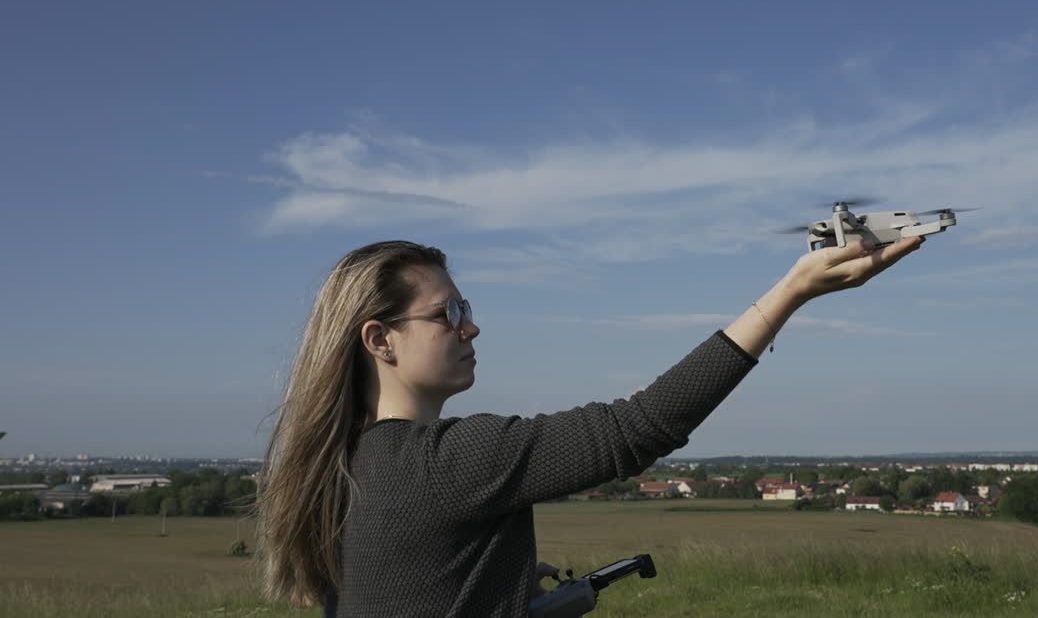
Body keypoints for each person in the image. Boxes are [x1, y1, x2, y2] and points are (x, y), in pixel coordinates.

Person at [254, 235, 924, 617]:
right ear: (381, 340)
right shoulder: (448, 462)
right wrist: (790, 294)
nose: (471, 325)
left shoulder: (346, 465)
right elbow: (640, 427)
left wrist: (499, 583)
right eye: (447, 312)